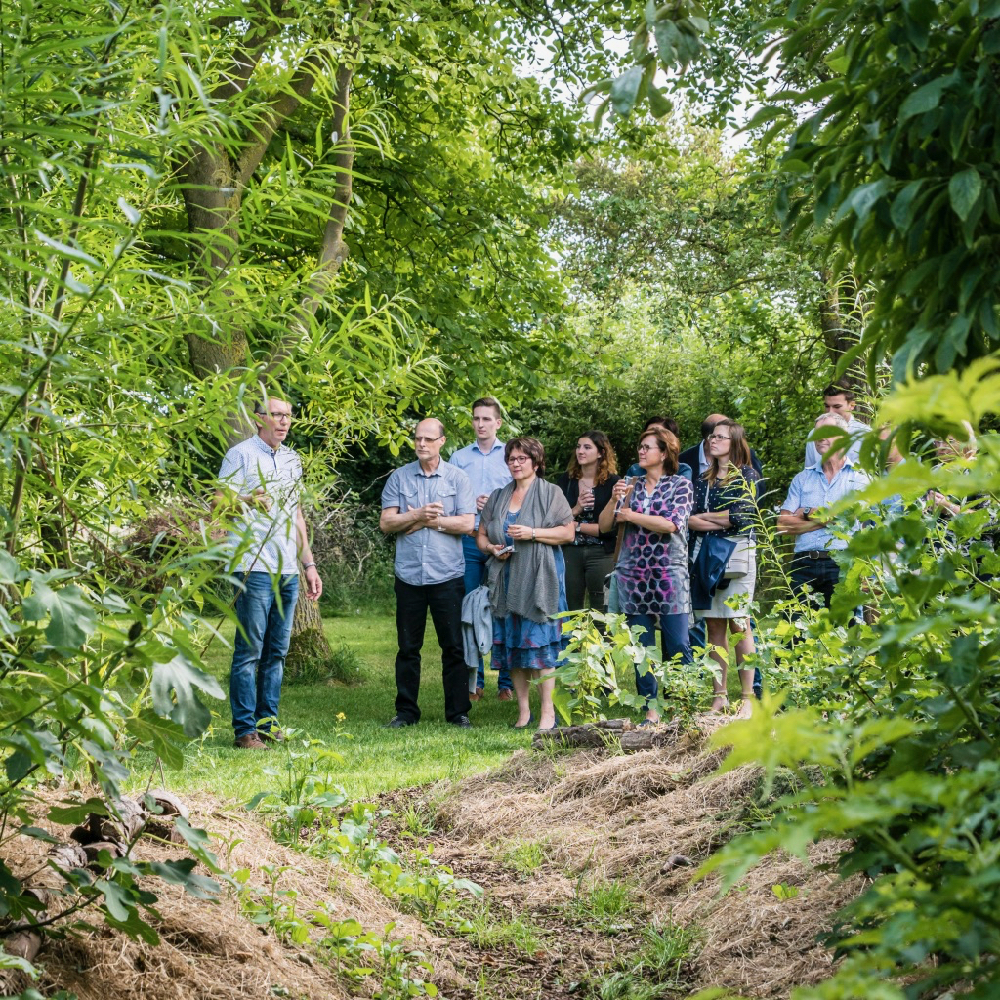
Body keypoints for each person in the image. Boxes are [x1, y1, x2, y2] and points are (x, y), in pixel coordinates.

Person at [217, 396, 323, 750]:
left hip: (287, 568)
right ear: (259, 418)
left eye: (288, 416)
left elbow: (296, 515)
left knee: (276, 651)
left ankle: (268, 723)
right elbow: (218, 503)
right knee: (250, 650)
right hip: (253, 565)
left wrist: (308, 564)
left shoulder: (293, 459)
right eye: (277, 415)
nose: (284, 421)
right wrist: (248, 501)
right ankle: (245, 730)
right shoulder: (241, 455)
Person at [380, 418, 476, 728]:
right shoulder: (399, 477)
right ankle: (406, 712)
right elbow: (386, 523)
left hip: (447, 574)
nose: (421, 444)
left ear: (442, 442)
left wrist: (427, 522)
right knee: (408, 648)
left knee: (454, 647)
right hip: (409, 575)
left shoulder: (458, 478)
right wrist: (419, 514)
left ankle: (458, 712)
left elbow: (467, 523)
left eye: (428, 439)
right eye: (418, 438)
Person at [477, 438, 575, 730]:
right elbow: (481, 535)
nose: (516, 463)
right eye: (511, 459)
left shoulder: (551, 493)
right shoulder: (498, 497)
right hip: (506, 581)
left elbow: (567, 533)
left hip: (540, 581)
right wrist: (492, 549)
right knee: (513, 648)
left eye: (522, 458)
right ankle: (523, 712)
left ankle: (547, 712)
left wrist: (532, 533)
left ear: (536, 461)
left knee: (541, 646)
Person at [599, 426, 694, 725]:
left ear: (664, 453)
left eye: (647, 447)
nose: (641, 451)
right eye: (640, 446)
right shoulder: (630, 485)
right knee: (642, 646)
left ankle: (679, 705)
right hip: (634, 574)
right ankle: (651, 708)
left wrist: (632, 516)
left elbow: (671, 525)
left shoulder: (680, 485)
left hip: (669, 572)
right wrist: (614, 501)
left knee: (677, 642)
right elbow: (604, 526)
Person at [687, 420, 761, 717]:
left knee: (740, 624)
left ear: (735, 442)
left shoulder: (747, 475)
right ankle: (719, 697)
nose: (712, 441)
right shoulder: (702, 479)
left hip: (737, 556)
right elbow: (690, 519)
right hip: (708, 556)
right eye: (711, 436)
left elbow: (742, 517)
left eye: (720, 437)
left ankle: (747, 697)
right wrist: (720, 518)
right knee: (714, 625)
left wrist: (710, 518)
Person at [448, 397, 514, 701]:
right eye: (476, 418)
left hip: (502, 540)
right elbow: (449, 498)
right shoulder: (459, 457)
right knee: (471, 608)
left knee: (504, 608)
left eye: (487, 419)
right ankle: (475, 682)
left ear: (498, 423)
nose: (481, 424)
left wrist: (496, 505)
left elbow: (522, 494)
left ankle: (506, 682)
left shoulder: (511, 455)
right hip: (469, 539)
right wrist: (469, 503)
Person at [778, 413, 871, 607]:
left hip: (843, 562)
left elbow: (849, 516)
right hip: (803, 563)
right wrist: (829, 518)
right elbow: (783, 525)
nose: (820, 437)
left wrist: (805, 513)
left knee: (845, 622)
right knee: (798, 622)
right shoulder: (802, 479)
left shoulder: (859, 478)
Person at [555, 431, 620, 612]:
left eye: (587, 447)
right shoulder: (566, 481)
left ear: (601, 453)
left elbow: (609, 529)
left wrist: (576, 525)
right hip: (570, 551)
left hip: (602, 552)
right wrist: (576, 508)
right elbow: (555, 520)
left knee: (603, 607)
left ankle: (602, 634)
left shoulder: (613, 482)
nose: (580, 451)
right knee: (570, 606)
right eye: (578, 447)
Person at [804, 381, 871, 469]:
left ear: (852, 405)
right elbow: (809, 471)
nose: (830, 412)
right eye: (827, 406)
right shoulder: (814, 434)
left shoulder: (865, 435)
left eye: (837, 407)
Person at [680, 413, 764, 482]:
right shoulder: (684, 459)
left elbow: (759, 489)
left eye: (720, 437)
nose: (714, 440)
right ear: (708, 438)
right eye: (715, 436)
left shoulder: (747, 465)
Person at [627, 418, 693, 482]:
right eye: (649, 432)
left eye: (658, 433)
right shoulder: (635, 470)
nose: (651, 435)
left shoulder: (682, 471)